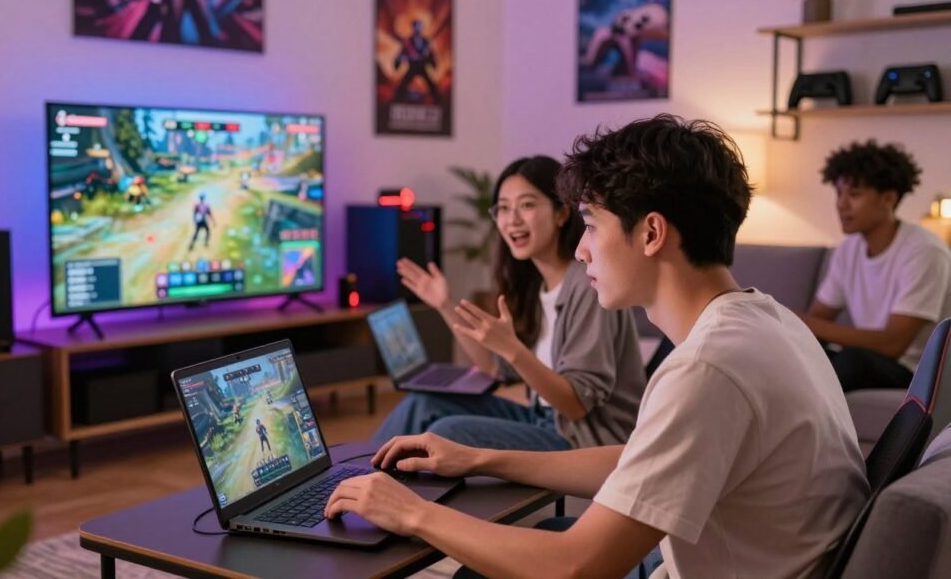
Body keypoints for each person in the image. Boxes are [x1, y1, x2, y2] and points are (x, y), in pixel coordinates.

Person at [327, 115, 868, 579]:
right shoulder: (766, 318)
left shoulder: (707, 368)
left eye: (589, 224)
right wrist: (481, 458)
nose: (582, 250)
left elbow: (577, 567)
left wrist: (410, 514)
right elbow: (639, 460)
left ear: (652, 233)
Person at [372, 155, 646, 451]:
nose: (512, 219)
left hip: (585, 440)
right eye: (503, 208)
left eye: (527, 205)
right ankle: (356, 479)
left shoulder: (586, 284)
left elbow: (576, 405)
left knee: (447, 431)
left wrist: (512, 349)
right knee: (422, 404)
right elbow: (492, 367)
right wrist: (443, 304)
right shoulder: (535, 287)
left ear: (561, 213)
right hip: (544, 420)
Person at [800, 140, 951, 391]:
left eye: (854, 194)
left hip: (918, 372)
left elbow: (893, 344)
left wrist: (811, 325)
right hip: (870, 361)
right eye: (839, 193)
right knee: (809, 355)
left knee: (851, 360)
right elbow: (816, 320)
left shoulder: (924, 251)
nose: (841, 204)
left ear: (888, 199)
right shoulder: (848, 251)